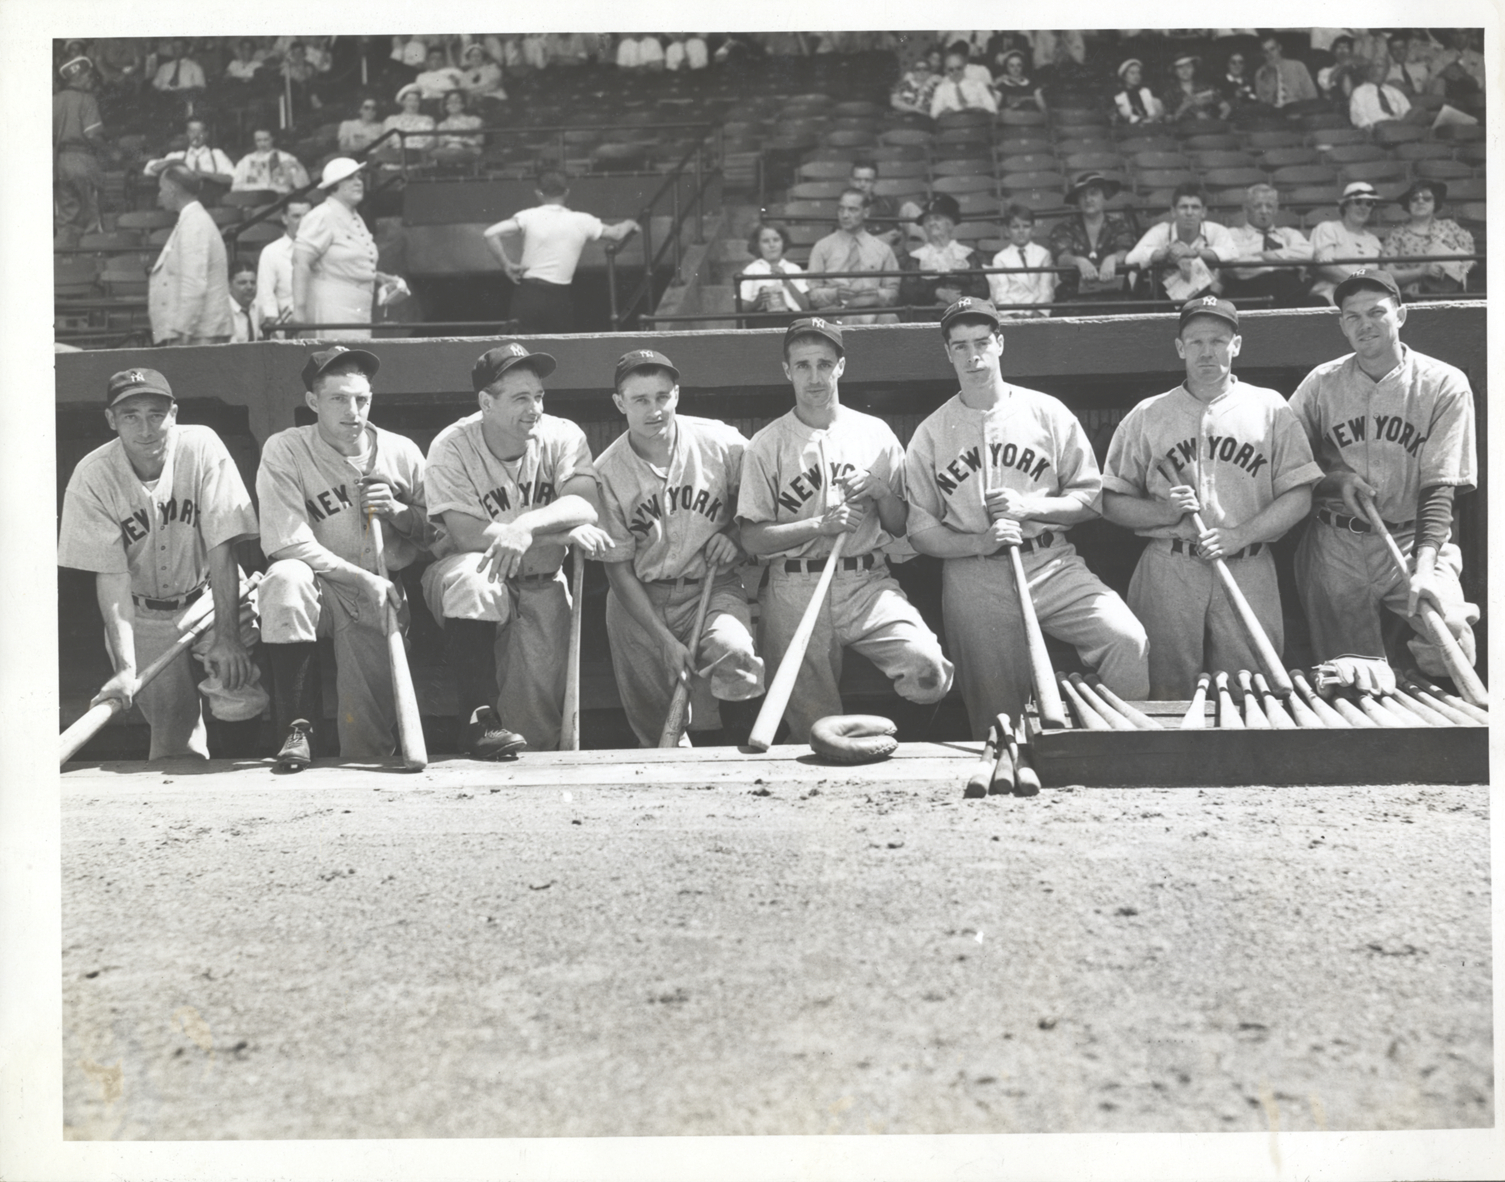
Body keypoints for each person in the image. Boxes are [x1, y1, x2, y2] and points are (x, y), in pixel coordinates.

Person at [905, 298, 1147, 735]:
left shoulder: (1046, 412)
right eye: (960, 346)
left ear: (1000, 343)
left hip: (1052, 563)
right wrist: (979, 542)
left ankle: (1118, 745)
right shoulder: (931, 432)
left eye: (982, 342)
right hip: (974, 576)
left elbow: (1091, 500)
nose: (973, 355)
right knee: (998, 715)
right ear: (948, 353)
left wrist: (1029, 506)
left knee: (1126, 640)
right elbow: (921, 531)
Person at [737, 318, 953, 742]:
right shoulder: (767, 444)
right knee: (811, 726)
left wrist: (880, 493)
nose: (814, 377)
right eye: (802, 366)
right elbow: (753, 538)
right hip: (794, 588)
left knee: (928, 670)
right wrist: (819, 524)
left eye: (824, 363)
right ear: (787, 370)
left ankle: (891, 739)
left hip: (866, 582)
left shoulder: (874, 433)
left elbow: (899, 526)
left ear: (841, 367)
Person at [1102, 297, 1321, 698]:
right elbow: (1111, 502)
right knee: (1166, 691)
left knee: (1252, 691)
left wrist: (1241, 534)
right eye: (1196, 341)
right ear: (1180, 348)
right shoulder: (1149, 413)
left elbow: (1299, 496)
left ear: (1236, 345)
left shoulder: (1270, 408)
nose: (1207, 351)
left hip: (1247, 562)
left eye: (1218, 341)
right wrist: (1162, 511)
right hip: (1170, 565)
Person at [57, 368, 267, 760]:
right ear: (111, 420)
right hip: (141, 612)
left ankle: (244, 784)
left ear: (174, 412)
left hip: (208, 597)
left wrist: (227, 636)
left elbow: (222, 548)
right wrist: (124, 667)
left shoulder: (201, 445)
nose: (146, 428)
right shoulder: (92, 475)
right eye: (130, 416)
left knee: (235, 686)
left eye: (156, 413)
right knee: (174, 742)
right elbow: (112, 575)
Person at [1288, 269, 1479, 678]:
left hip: (1412, 539)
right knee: (1352, 676)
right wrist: (1333, 482)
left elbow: (1440, 485)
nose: (1365, 324)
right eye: (1352, 316)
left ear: (1401, 315)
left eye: (1376, 312)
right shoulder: (1321, 383)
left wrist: (1424, 570)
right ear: (1341, 324)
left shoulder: (1444, 383)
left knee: (1450, 635)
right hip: (1335, 542)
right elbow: (1285, 466)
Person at [422, 344, 611, 755]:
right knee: (476, 578)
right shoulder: (451, 445)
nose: (535, 408)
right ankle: (477, 719)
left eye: (539, 396)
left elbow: (584, 504)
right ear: (486, 403)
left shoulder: (562, 433)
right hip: (471, 573)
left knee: (534, 731)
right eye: (520, 398)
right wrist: (558, 535)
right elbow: (468, 534)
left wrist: (524, 526)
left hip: (541, 584)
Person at [258, 347, 432, 770]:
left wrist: (400, 513)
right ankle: (297, 729)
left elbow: (441, 534)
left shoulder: (401, 450)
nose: (353, 410)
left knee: (367, 741)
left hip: (380, 587)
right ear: (313, 402)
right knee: (285, 579)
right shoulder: (286, 449)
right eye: (338, 399)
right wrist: (362, 579)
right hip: (322, 583)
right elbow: (286, 543)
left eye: (361, 399)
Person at [594, 349, 765, 746]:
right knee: (657, 728)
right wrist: (664, 642)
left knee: (734, 655)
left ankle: (746, 772)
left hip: (713, 586)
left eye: (662, 396)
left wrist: (737, 537)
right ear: (620, 403)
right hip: (640, 601)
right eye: (640, 400)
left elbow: (762, 503)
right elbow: (617, 570)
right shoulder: (606, 472)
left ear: (677, 395)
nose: (655, 409)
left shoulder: (720, 441)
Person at [482, 169, 641, 333]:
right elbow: (616, 233)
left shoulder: (527, 216)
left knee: (520, 349)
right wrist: (630, 223)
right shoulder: (583, 220)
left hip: (528, 292)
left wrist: (506, 265)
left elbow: (490, 233)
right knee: (560, 350)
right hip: (559, 295)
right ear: (567, 192)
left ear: (538, 193)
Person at [291, 158, 382, 340]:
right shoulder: (322, 215)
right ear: (334, 185)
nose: (358, 182)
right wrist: (300, 312)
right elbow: (301, 263)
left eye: (359, 177)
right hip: (333, 310)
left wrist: (381, 277)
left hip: (359, 308)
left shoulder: (355, 216)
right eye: (350, 178)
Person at [148, 165, 231, 347]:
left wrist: (183, 331)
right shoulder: (192, 220)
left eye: (162, 189)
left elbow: (194, 283)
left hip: (198, 335)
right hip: (199, 333)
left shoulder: (194, 223)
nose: (160, 195)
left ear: (172, 190)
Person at [1125, 183, 1239, 302]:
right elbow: (1130, 258)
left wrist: (1193, 253)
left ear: (1204, 212)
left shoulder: (1216, 230)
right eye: (1183, 207)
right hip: (1166, 301)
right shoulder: (1160, 231)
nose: (1189, 213)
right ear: (1173, 211)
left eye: (1195, 207)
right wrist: (1167, 254)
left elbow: (1233, 253)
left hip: (1207, 300)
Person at [805, 189, 901, 325]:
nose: (845, 215)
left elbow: (893, 292)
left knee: (890, 318)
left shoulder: (882, 249)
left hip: (872, 309)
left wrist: (876, 295)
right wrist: (835, 293)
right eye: (841, 209)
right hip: (836, 310)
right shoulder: (822, 246)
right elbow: (812, 294)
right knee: (851, 319)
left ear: (866, 212)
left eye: (852, 210)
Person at [1049, 172, 1138, 306]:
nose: (1088, 199)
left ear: (1104, 195)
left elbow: (1126, 251)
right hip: (1074, 297)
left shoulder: (1119, 226)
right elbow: (1062, 258)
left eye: (1093, 193)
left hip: (1115, 296)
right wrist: (1077, 261)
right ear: (1077, 201)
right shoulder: (1063, 228)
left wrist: (1113, 258)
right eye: (1082, 195)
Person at [1221, 184, 1314, 308]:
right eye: (1257, 206)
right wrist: (1286, 264)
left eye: (1269, 206)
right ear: (1246, 208)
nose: (1264, 211)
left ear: (1276, 209)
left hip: (1290, 294)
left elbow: (1308, 253)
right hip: (1250, 294)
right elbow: (1237, 268)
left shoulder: (1289, 233)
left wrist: (1266, 256)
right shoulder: (1233, 234)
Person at [899, 194, 988, 320]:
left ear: (950, 224)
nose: (931, 223)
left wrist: (958, 295)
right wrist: (937, 293)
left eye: (937, 218)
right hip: (927, 316)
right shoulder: (916, 257)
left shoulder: (966, 254)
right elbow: (907, 292)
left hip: (963, 312)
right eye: (927, 220)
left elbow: (982, 290)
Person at [1382, 180, 1475, 297]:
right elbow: (1387, 275)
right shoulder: (1397, 235)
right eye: (1414, 199)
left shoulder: (1450, 227)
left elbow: (1471, 261)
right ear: (1408, 204)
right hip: (1413, 298)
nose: (1420, 201)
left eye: (1427, 198)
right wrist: (1421, 271)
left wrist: (1455, 270)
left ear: (1435, 202)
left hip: (1451, 295)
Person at [1308, 182, 1384, 305]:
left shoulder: (1373, 240)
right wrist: (1355, 285)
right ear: (1346, 205)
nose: (1363, 208)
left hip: (1368, 300)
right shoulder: (1328, 228)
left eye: (1369, 203)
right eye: (1358, 202)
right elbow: (1324, 266)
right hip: (1331, 297)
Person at [53, 55, 105, 234]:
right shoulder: (87, 99)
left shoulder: (54, 100)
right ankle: (90, 260)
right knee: (90, 216)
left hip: (60, 163)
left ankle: (65, 260)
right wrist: (107, 150)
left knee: (67, 218)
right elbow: (92, 135)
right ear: (80, 76)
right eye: (89, 76)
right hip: (83, 160)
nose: (91, 80)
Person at [989, 204, 1056, 317]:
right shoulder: (1000, 258)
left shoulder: (1043, 254)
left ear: (1033, 229)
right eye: (1015, 227)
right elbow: (1001, 293)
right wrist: (1015, 314)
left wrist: (1038, 312)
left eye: (1026, 226)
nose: (1021, 231)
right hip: (1011, 314)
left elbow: (1046, 289)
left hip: (1038, 314)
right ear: (1007, 230)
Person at [738, 222, 811, 317]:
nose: (772, 245)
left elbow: (806, 307)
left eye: (776, 240)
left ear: (783, 242)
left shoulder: (794, 269)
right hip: (761, 319)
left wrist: (787, 281)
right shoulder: (751, 270)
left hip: (791, 319)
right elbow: (740, 308)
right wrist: (757, 301)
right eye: (765, 241)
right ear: (757, 245)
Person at [143, 119, 234, 187]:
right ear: (187, 134)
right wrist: (173, 162)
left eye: (200, 131)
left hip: (211, 205)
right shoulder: (178, 156)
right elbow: (150, 169)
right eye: (192, 131)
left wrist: (205, 174)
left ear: (206, 134)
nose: (196, 135)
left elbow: (232, 178)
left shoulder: (216, 155)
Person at [231, 129, 310, 194]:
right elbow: (235, 187)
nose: (262, 144)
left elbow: (302, 185)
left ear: (273, 139)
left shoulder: (286, 158)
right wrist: (266, 186)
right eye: (258, 140)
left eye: (266, 140)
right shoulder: (246, 160)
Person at [930, 49, 998, 119]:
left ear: (964, 67)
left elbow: (992, 110)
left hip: (977, 123)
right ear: (945, 71)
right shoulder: (941, 89)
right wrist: (944, 112)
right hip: (953, 125)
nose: (955, 72)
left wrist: (980, 110)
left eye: (959, 68)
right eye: (951, 69)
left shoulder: (978, 85)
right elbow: (934, 115)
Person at [1254, 33, 1317, 107]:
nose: (1270, 54)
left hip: (1299, 109)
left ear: (1279, 47)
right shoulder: (1260, 73)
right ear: (1262, 54)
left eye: (1272, 49)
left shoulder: (1298, 66)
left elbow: (1312, 96)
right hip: (1275, 113)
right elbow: (1261, 102)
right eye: (1266, 52)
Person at [1349, 58, 1414, 128]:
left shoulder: (1394, 92)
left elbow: (1407, 112)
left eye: (1379, 66)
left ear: (1387, 71)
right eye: (1371, 66)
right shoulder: (1360, 91)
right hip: (1378, 128)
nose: (1374, 70)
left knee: (1417, 112)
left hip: (1399, 127)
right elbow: (1358, 116)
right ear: (1367, 71)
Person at [1163, 54, 1227, 122]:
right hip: (1183, 130)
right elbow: (1168, 120)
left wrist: (1218, 122)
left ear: (1194, 69)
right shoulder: (1169, 94)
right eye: (1180, 67)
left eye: (1188, 66)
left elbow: (1226, 108)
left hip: (1208, 129)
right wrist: (1182, 108)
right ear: (1175, 71)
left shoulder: (1206, 88)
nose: (1185, 70)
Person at [384, 85, 436, 157]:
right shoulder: (391, 120)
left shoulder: (427, 120)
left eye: (416, 100)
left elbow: (432, 142)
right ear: (402, 102)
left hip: (421, 157)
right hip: (397, 158)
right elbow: (385, 143)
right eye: (409, 100)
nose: (413, 104)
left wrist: (420, 154)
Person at [434, 89, 484, 158]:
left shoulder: (475, 120)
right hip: (447, 153)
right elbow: (440, 143)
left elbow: (480, 141)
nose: (453, 104)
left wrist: (463, 141)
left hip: (468, 151)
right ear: (445, 106)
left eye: (457, 101)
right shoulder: (441, 125)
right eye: (450, 102)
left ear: (463, 105)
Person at [1113, 58, 1164, 123]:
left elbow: (1158, 112)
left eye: (1138, 73)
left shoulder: (1146, 92)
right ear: (1124, 76)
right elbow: (1125, 117)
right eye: (1132, 73)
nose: (1137, 76)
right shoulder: (1119, 96)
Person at [227, 260, 260, 343]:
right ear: (229, 286)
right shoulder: (224, 312)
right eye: (242, 283)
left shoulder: (257, 308)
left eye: (253, 282)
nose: (249, 287)